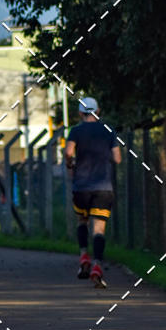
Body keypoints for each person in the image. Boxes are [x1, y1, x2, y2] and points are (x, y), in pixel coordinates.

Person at [64, 97, 122, 287]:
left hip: (81, 187)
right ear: (98, 111)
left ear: (81, 113)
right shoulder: (108, 130)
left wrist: (70, 164)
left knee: (82, 220)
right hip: (103, 187)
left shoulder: (76, 130)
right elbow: (117, 158)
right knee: (99, 229)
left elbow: (68, 153)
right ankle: (97, 265)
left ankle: (83, 256)